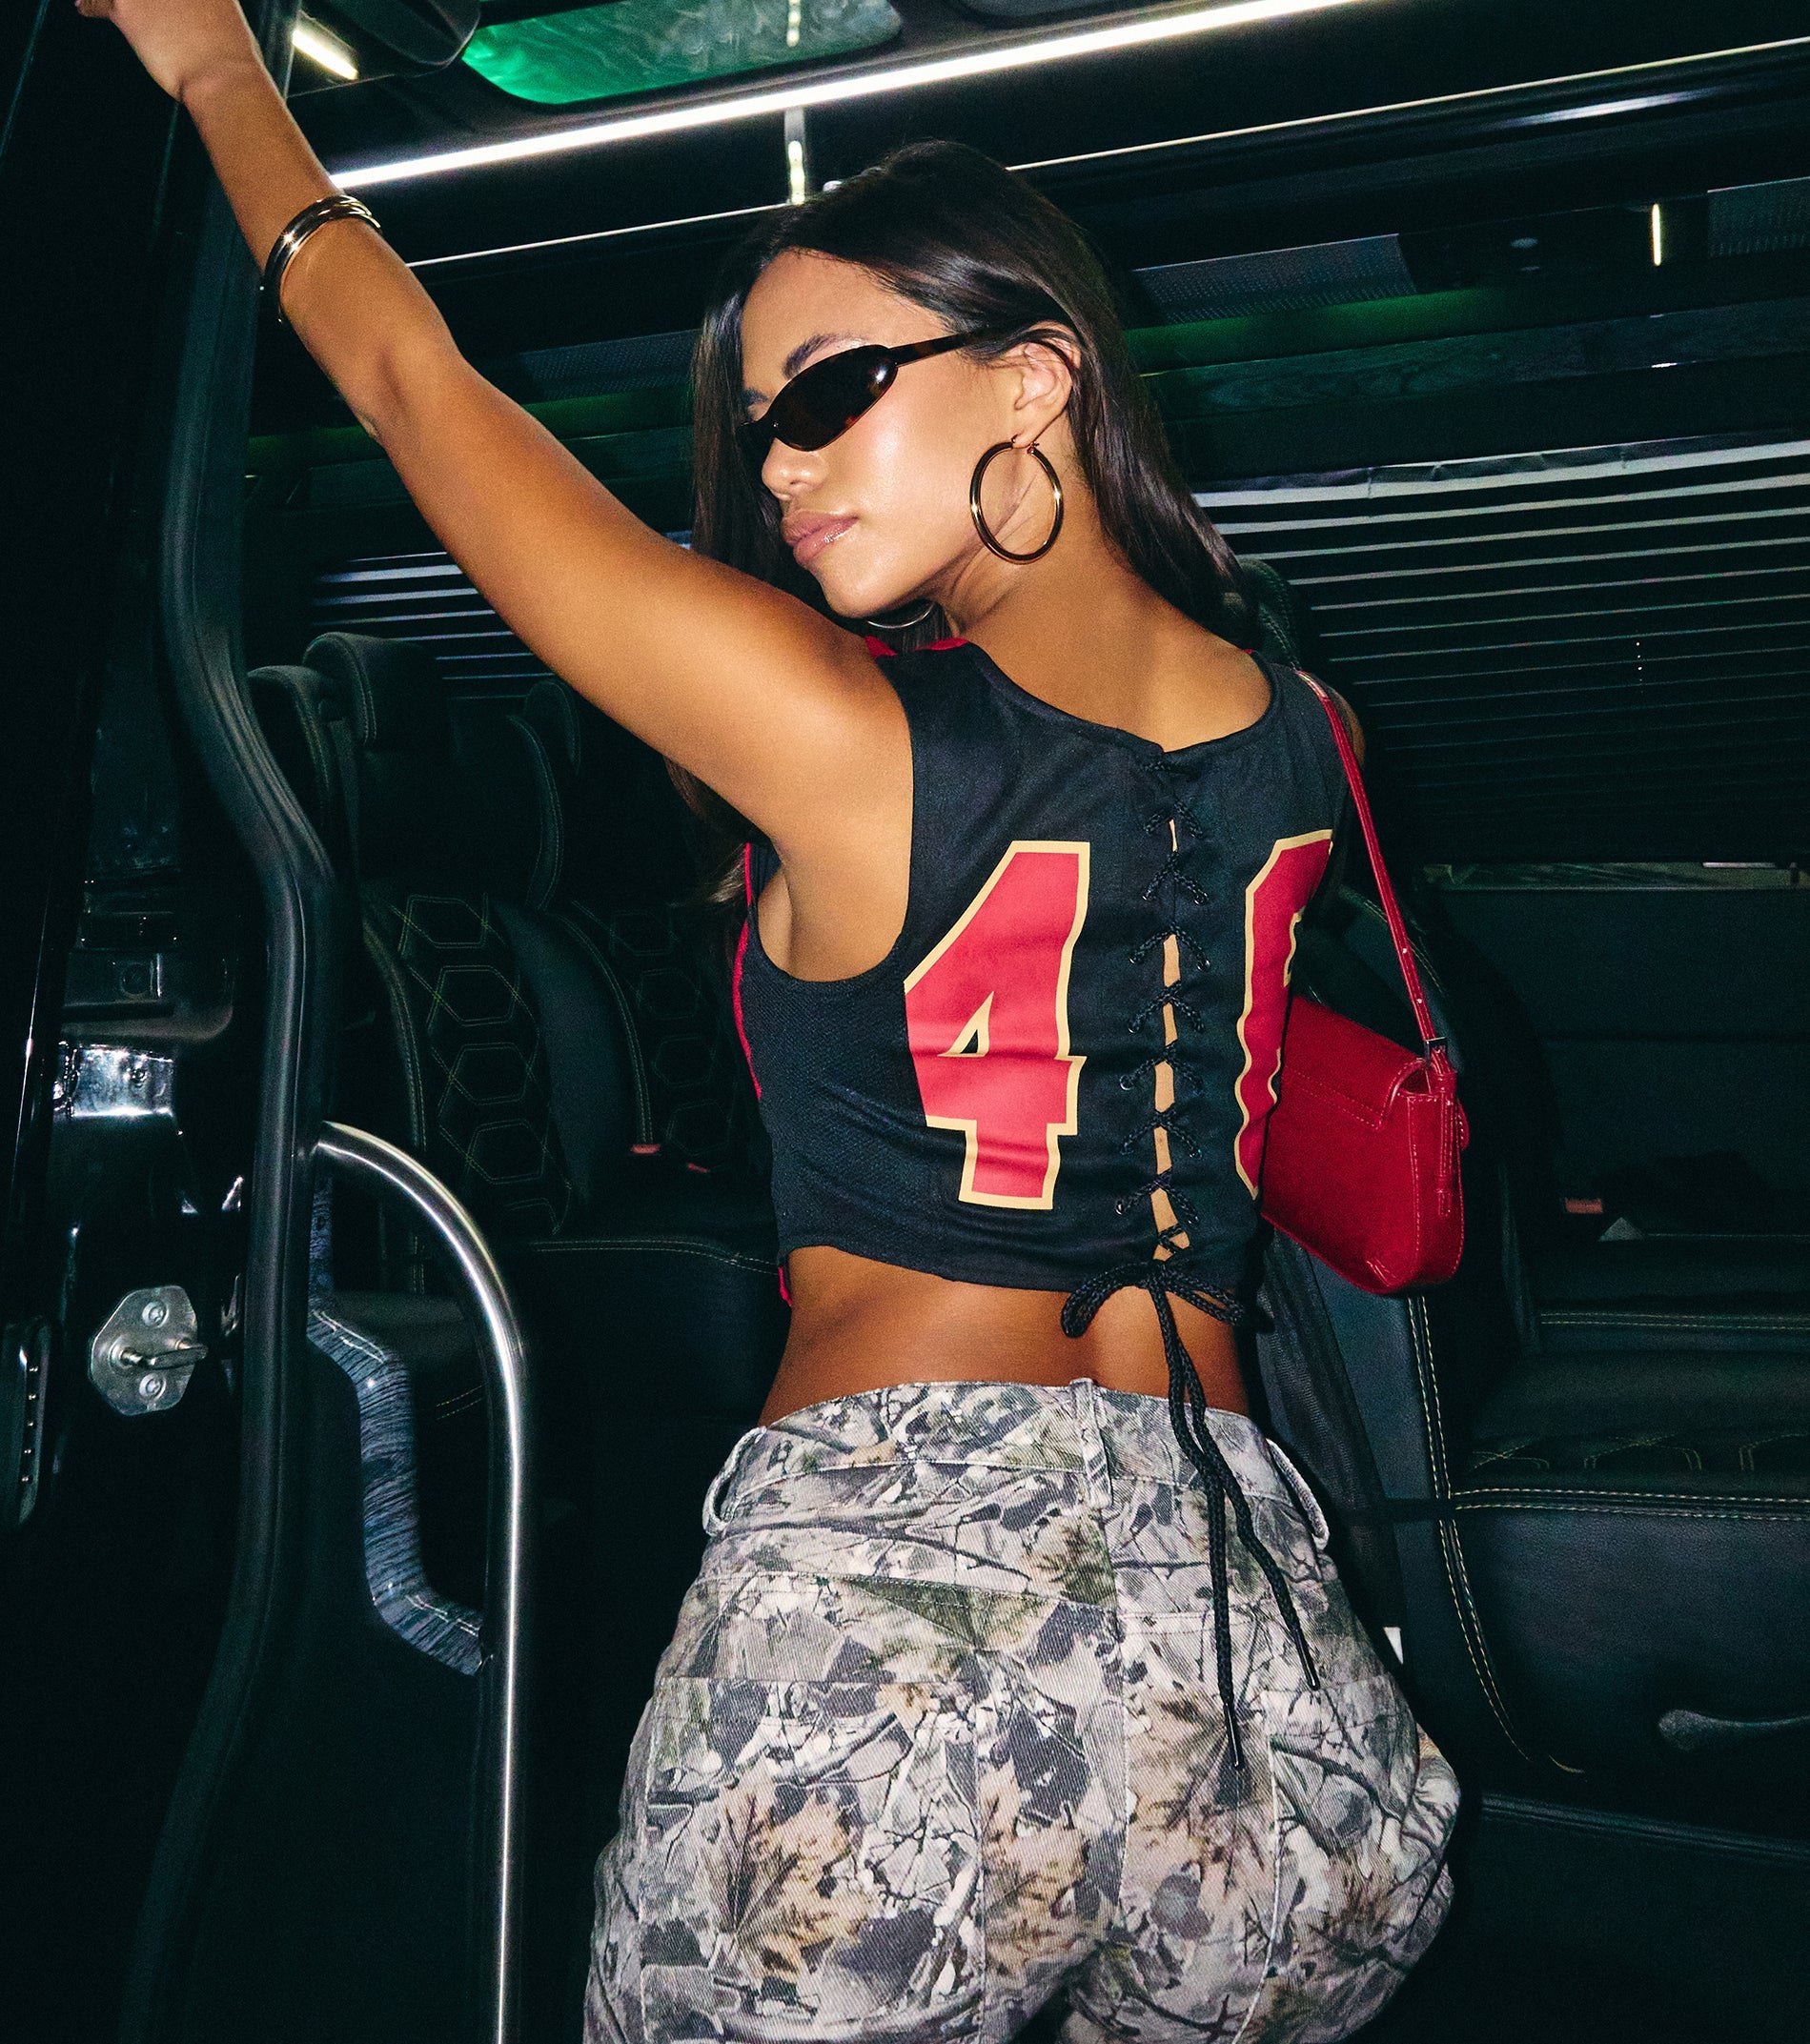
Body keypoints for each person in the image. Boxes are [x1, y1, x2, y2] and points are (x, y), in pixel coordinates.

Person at [85, 3, 1461, 2035]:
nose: (782, 465)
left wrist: (217, 73)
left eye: (827, 391)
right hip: (1245, 1653)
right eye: (755, 430)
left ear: (1037, 374)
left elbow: (407, 382)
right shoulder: (1304, 730)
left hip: (891, 1639)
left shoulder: (838, 736)